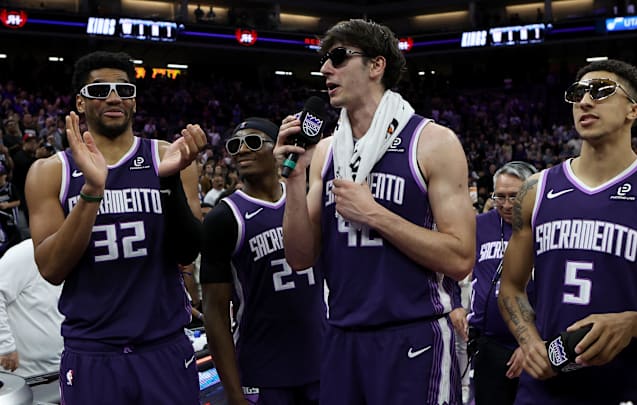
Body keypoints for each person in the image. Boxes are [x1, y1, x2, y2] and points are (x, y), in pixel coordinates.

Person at [275, 19, 476, 405]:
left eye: (338, 58)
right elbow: (300, 258)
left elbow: (461, 258)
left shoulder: (433, 142)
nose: (325, 69)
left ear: (375, 65)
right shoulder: (326, 152)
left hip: (413, 334)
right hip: (342, 336)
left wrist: (374, 214)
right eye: (324, 60)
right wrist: (294, 181)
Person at [498, 59, 637, 404]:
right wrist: (529, 342)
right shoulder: (535, 190)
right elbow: (511, 287)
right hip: (543, 389)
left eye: (601, 92)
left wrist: (632, 324)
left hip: (629, 390)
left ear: (634, 110)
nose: (585, 101)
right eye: (577, 93)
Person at [24, 51, 206, 404]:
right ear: (80, 101)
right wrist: (91, 192)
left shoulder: (169, 156)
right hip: (93, 350)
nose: (112, 97)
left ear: (134, 102)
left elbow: (187, 252)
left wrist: (166, 182)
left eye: (123, 89)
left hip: (163, 344)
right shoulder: (50, 171)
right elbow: (51, 268)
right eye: (99, 89)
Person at [201, 118, 323, 405]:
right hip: (262, 370)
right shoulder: (224, 217)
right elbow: (215, 313)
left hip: (321, 360)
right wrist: (233, 393)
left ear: (277, 148)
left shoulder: (307, 201)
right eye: (235, 145)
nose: (242, 150)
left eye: (253, 142)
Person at [464, 161, 537, 405]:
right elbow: (451, 266)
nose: (506, 205)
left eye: (514, 197)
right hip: (487, 343)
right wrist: (455, 305)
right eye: (500, 197)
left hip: (534, 344)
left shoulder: (545, 227)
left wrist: (531, 343)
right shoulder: (479, 224)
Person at [0, 239, 64, 377]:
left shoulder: (83, 254)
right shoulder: (26, 253)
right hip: (22, 378)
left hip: (62, 371)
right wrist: (4, 346)